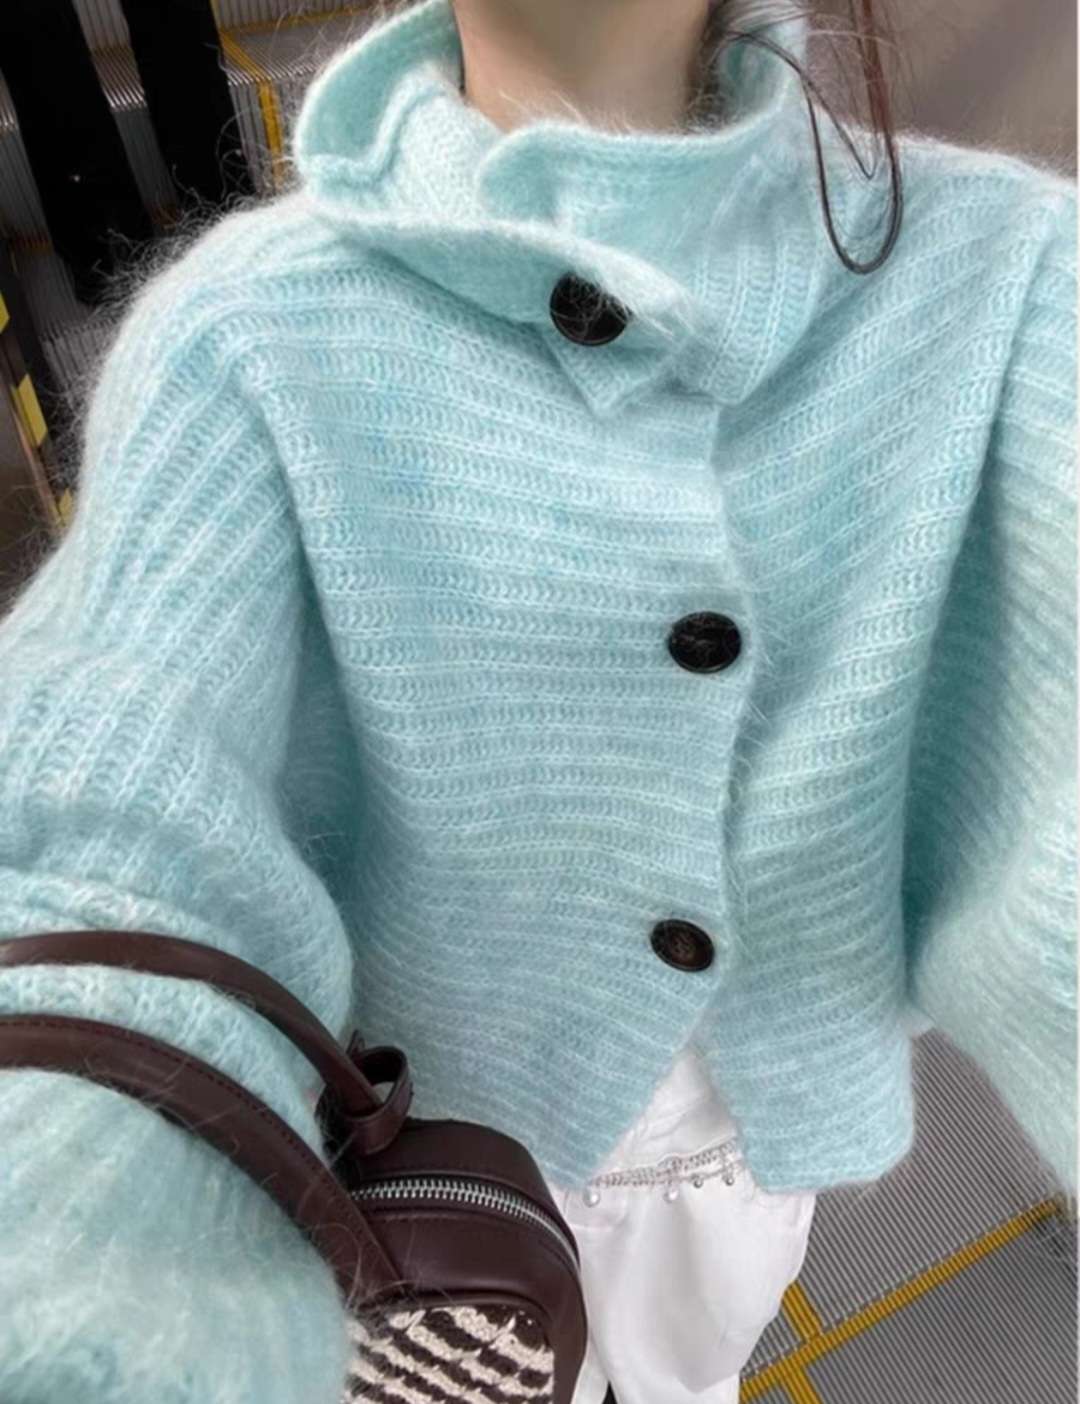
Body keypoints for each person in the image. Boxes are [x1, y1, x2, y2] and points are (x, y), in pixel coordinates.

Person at [0, 0, 1074, 1401]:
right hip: (398, 1181)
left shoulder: (1012, 284)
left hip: (737, 1168)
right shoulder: (240, 337)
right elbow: (101, 845)